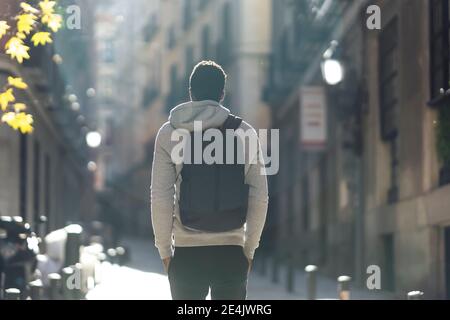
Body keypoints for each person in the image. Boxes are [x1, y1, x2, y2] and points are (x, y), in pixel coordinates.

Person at [151, 60, 268, 300]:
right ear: (222, 94)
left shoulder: (169, 133)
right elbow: (259, 196)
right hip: (231, 252)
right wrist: (249, 250)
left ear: (191, 93)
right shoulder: (244, 132)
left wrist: (165, 250)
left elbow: (161, 195)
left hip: (187, 255)